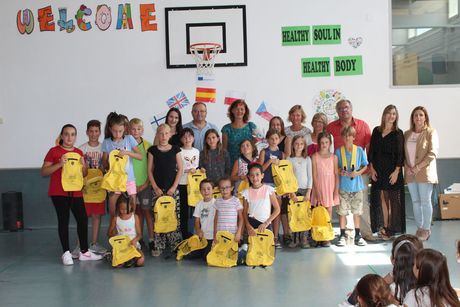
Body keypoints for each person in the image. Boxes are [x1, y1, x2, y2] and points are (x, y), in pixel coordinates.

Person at [41, 124, 102, 265]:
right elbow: (43, 172)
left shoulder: (79, 152)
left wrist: (84, 166)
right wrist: (59, 164)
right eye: (67, 134)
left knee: (82, 219)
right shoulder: (54, 151)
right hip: (59, 192)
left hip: (76, 191)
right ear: (62, 136)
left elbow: (84, 174)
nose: (69, 137)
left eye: (73, 134)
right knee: (64, 220)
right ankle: (66, 253)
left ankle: (85, 252)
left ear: (75, 136)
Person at [327, 99, 374, 241]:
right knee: (343, 203)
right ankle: (345, 232)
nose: (344, 110)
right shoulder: (330, 128)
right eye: (340, 108)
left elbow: (369, 148)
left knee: (362, 202)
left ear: (351, 108)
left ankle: (365, 233)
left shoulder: (362, 125)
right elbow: (327, 149)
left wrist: (369, 167)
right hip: (339, 173)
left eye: (346, 107)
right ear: (337, 111)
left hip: (360, 174)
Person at [345, 234, 423, 306]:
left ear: (393, 260)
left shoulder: (397, 289)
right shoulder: (423, 277)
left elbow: (379, 286)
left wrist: (360, 291)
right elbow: (381, 283)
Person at [369, 105, 405, 240]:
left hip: (392, 172)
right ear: (384, 115)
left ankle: (391, 228)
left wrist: (396, 172)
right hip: (378, 171)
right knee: (382, 199)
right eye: (389, 113)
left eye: (394, 114)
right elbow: (371, 151)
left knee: (392, 200)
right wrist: (371, 168)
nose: (391, 116)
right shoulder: (376, 131)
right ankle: (384, 226)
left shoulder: (398, 133)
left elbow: (401, 155)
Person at [147, 123, 183, 257]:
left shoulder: (176, 149)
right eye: (161, 133)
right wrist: (155, 187)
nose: (163, 136)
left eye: (166, 133)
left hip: (172, 190)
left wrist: (174, 187)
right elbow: (149, 170)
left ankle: (175, 243)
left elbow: (180, 169)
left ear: (170, 134)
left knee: (173, 216)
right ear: (157, 134)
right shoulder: (152, 150)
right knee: (159, 217)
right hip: (157, 190)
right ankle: (159, 244)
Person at [404, 106, 438, 241]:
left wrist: (417, 168)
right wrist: (407, 166)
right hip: (410, 172)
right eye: (415, 115)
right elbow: (404, 154)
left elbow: (432, 153)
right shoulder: (407, 134)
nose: (418, 118)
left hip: (424, 172)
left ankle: (426, 229)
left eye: (421, 115)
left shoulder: (431, 132)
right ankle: (419, 227)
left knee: (425, 201)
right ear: (412, 118)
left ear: (425, 117)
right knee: (415, 202)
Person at [75, 120, 107, 256]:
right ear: (87, 132)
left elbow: (106, 167)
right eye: (91, 131)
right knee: (82, 217)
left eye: (96, 131)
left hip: (99, 188)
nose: (94, 134)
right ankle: (79, 245)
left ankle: (94, 243)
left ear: (99, 132)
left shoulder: (103, 148)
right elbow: (77, 170)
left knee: (96, 216)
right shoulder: (81, 149)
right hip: (85, 188)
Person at [102, 113, 142, 217]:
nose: (117, 134)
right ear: (110, 129)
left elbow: (140, 156)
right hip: (114, 179)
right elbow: (105, 162)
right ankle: (114, 227)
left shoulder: (129, 139)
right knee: (112, 205)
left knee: (132, 203)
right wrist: (110, 162)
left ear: (124, 128)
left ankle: (131, 228)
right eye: (115, 131)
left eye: (120, 131)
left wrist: (127, 152)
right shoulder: (106, 142)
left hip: (129, 178)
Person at [336, 126, 369, 247]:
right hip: (344, 187)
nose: (347, 138)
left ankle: (357, 235)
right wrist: (341, 171)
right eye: (344, 136)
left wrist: (358, 173)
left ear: (354, 137)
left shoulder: (359, 150)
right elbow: (336, 167)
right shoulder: (339, 152)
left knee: (357, 212)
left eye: (349, 135)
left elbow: (365, 165)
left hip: (357, 187)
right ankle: (342, 235)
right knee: (342, 212)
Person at [129, 118, 153, 251]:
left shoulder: (148, 146)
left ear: (142, 130)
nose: (136, 131)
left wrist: (146, 184)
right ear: (128, 130)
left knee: (147, 212)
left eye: (138, 129)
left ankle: (151, 239)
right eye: (133, 129)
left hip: (145, 185)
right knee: (136, 213)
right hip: (130, 186)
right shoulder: (126, 145)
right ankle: (139, 239)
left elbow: (152, 167)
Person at [311, 132, 339, 247]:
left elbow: (336, 174)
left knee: (328, 213)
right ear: (318, 143)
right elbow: (314, 175)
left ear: (330, 143)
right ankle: (318, 236)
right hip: (319, 187)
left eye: (326, 142)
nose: (324, 145)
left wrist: (336, 190)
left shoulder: (334, 157)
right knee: (318, 213)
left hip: (330, 187)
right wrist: (317, 192)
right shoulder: (315, 156)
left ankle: (326, 237)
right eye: (322, 142)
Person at [258, 129, 285, 248]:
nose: (274, 141)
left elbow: (284, 172)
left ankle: (275, 236)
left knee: (276, 211)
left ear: (279, 140)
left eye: (276, 138)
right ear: (267, 140)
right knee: (265, 211)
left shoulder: (281, 154)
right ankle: (265, 235)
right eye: (271, 138)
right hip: (266, 184)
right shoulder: (264, 152)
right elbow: (260, 170)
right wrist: (270, 161)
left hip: (277, 185)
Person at [242, 163, 280, 237]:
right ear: (249, 177)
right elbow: (244, 212)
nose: (255, 178)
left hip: (265, 225)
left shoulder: (269, 190)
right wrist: (248, 226)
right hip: (251, 225)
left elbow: (277, 209)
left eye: (257, 174)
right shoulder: (246, 192)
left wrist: (266, 223)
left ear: (262, 175)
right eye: (252, 175)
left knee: (265, 247)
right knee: (252, 247)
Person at [287, 135, 312, 248]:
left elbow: (310, 177)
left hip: (305, 190)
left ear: (304, 146)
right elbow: (288, 177)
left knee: (304, 215)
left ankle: (304, 239)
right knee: (294, 215)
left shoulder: (307, 159)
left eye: (301, 144)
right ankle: (294, 239)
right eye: (296, 143)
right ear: (293, 145)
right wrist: (291, 192)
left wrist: (308, 192)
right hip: (294, 191)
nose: (299, 146)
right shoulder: (289, 159)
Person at [107, 196, 145, 267]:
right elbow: (109, 233)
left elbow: (139, 234)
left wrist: (134, 240)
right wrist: (115, 238)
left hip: (133, 246)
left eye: (126, 209)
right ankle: (125, 259)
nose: (124, 211)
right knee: (118, 264)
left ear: (131, 206)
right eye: (122, 209)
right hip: (121, 246)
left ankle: (130, 259)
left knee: (141, 261)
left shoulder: (135, 217)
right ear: (118, 207)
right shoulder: (116, 218)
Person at [178, 127, 200, 239]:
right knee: (184, 210)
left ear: (193, 137)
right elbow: (176, 169)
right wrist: (187, 170)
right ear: (181, 139)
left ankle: (196, 232)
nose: (187, 139)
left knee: (195, 209)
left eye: (190, 136)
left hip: (195, 185)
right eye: (184, 137)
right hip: (183, 183)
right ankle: (184, 234)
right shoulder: (179, 151)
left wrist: (200, 170)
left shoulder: (196, 151)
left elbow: (197, 167)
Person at [221, 99, 257, 165]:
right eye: (236, 109)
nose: (239, 111)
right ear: (232, 111)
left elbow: (256, 145)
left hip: (249, 163)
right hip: (232, 163)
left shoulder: (251, 126)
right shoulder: (226, 129)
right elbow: (224, 150)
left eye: (242, 109)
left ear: (245, 111)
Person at [213, 177, 243, 243]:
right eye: (222, 188)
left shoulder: (236, 201)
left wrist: (239, 232)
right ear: (219, 189)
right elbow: (215, 218)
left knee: (231, 252)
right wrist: (215, 234)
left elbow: (241, 218)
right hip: (220, 234)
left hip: (232, 234)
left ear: (232, 188)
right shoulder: (217, 201)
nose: (224, 190)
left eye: (227, 187)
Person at [192, 179, 216, 260]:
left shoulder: (216, 204)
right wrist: (198, 230)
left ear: (213, 190)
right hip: (203, 237)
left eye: (208, 189)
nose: (206, 191)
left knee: (206, 258)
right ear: (200, 191)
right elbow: (197, 221)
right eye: (203, 189)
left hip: (213, 237)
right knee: (192, 255)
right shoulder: (199, 204)